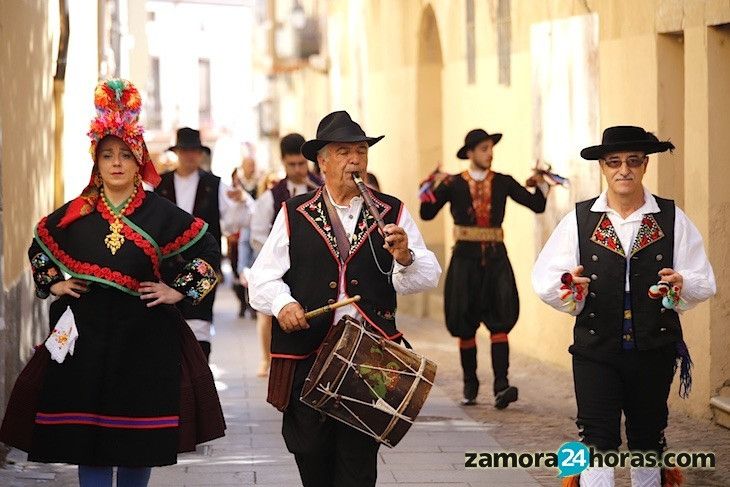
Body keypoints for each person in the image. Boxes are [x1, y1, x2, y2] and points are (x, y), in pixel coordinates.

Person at [0, 79, 225, 487]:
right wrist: (53, 283)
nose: (116, 163)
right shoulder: (76, 213)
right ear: (96, 162)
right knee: (90, 435)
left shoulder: (162, 212)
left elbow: (209, 250)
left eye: (125, 154)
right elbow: (40, 243)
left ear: (140, 161)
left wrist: (178, 290)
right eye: (107, 155)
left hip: (146, 335)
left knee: (138, 435)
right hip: (86, 334)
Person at [249, 111, 441, 487]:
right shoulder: (293, 212)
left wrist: (405, 257)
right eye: (343, 152)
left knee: (357, 463)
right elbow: (262, 277)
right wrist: (284, 304)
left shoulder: (392, 211)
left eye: (361, 151)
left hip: (368, 358)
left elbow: (426, 275)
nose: (355, 160)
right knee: (309, 453)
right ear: (321, 161)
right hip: (308, 353)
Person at [532, 126, 716, 487]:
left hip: (654, 346)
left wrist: (682, 283)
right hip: (595, 347)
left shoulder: (670, 217)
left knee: (647, 437)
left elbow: (702, 278)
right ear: (603, 167)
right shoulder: (582, 218)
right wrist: (571, 285)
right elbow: (546, 277)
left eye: (633, 161)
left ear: (645, 165)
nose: (624, 170)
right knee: (597, 437)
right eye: (614, 162)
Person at [419, 128, 548, 408]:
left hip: (496, 259)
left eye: (491, 148)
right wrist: (429, 187)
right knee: (464, 323)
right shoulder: (452, 183)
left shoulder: (503, 182)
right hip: (464, 260)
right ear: (470, 153)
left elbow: (536, 205)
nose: (489, 154)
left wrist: (540, 183)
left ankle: (501, 384)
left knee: (500, 318)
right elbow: (427, 213)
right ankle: (470, 384)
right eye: (484, 149)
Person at [156, 127, 252, 361]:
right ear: (177, 152)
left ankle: (199, 389)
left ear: (201, 154)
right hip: (165, 271)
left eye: (194, 151)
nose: (190, 155)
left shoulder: (215, 184)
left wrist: (241, 201)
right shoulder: (159, 185)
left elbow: (237, 220)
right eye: (185, 150)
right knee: (166, 334)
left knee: (199, 334)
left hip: (203, 269)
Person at [248, 133, 321, 377]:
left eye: (302, 163)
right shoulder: (271, 197)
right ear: (283, 162)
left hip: (313, 267)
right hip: (281, 266)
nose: (299, 169)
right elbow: (257, 234)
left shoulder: (322, 187)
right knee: (268, 312)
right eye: (293, 164)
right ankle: (266, 359)